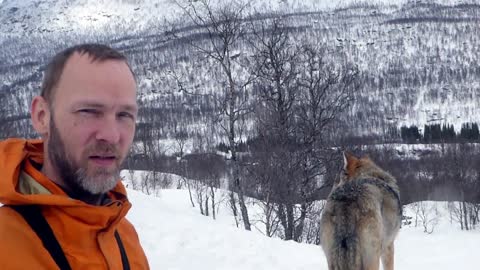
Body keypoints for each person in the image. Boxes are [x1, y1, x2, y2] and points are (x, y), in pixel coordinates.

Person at [0, 44, 150, 269]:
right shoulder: (7, 247)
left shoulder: (124, 237)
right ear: (42, 117)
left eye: (124, 114)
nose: (111, 135)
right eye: (89, 111)